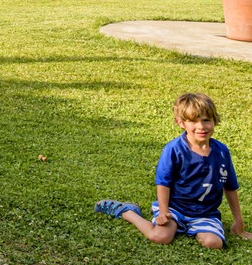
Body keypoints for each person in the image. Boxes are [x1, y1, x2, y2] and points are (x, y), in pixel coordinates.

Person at [95, 92, 249, 249]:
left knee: (213, 243)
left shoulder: (222, 152)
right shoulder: (174, 150)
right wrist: (163, 212)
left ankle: (195, 228)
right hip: (175, 208)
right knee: (160, 237)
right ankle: (128, 212)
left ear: (214, 121)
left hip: (205, 214)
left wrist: (239, 221)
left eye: (206, 120)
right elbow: (163, 183)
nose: (201, 127)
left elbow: (230, 187)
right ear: (180, 122)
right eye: (193, 121)